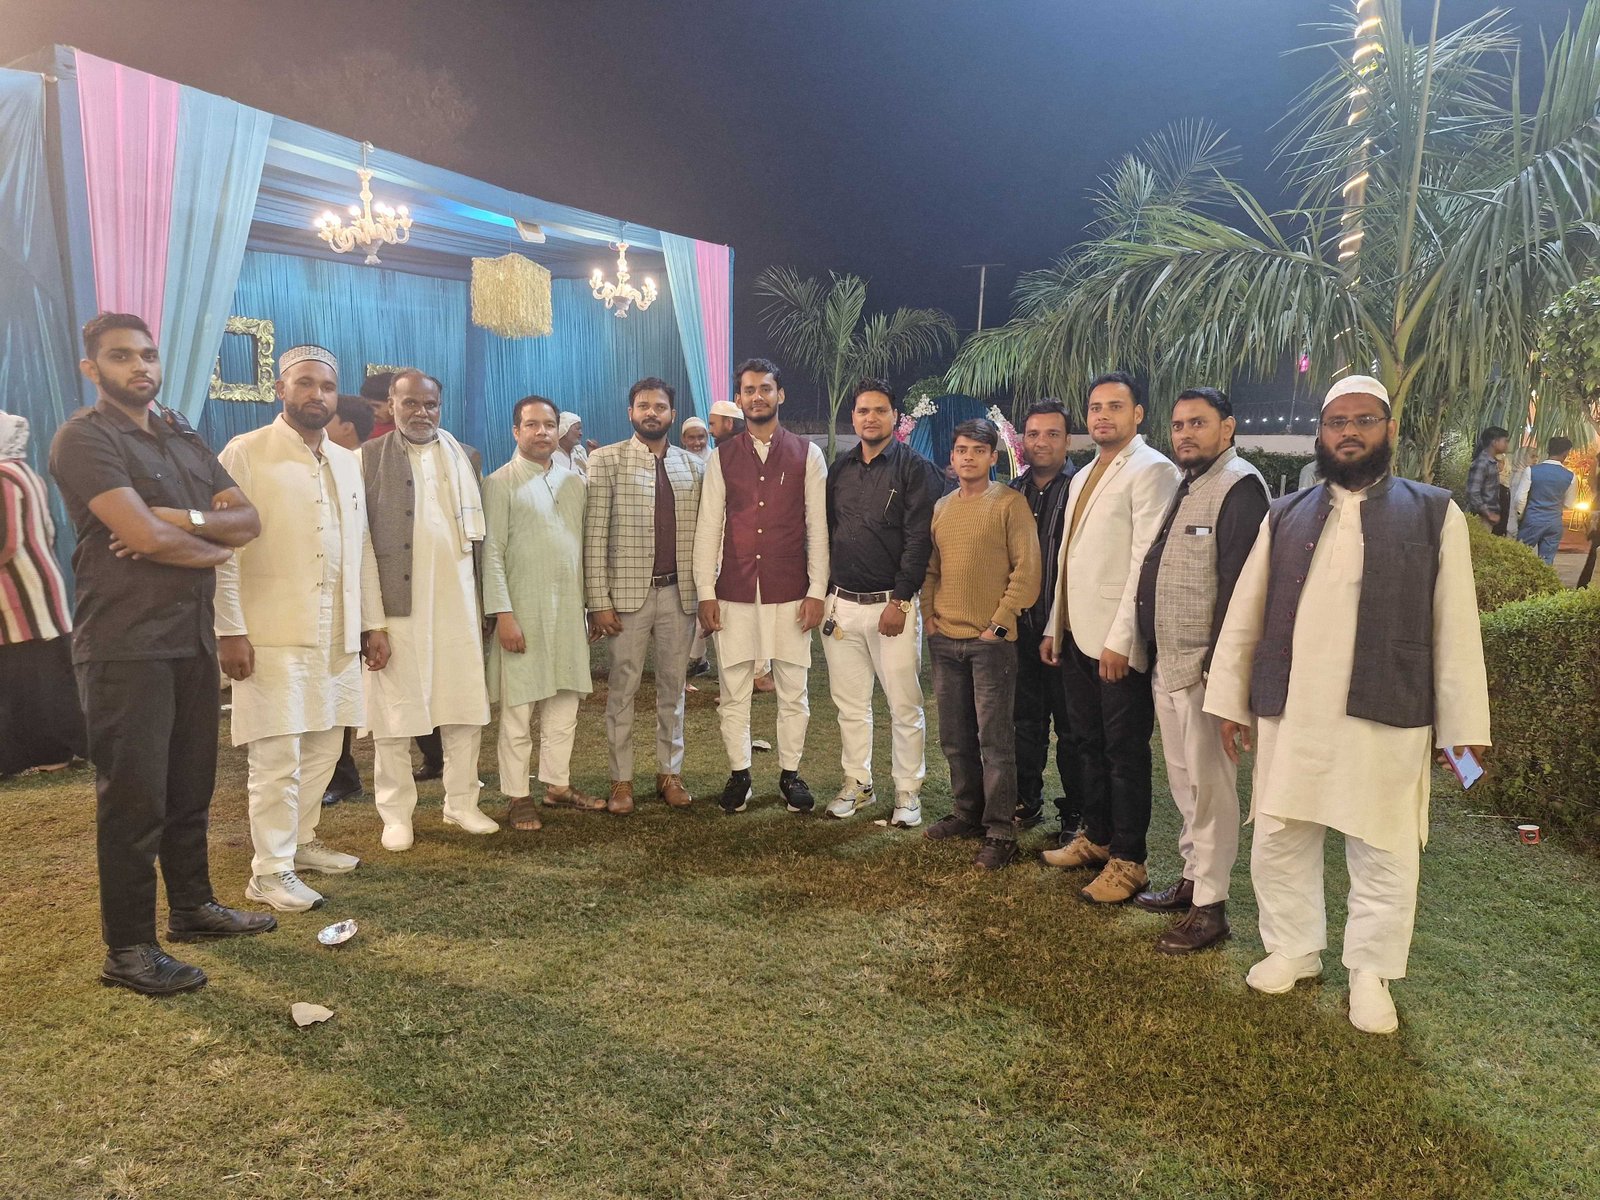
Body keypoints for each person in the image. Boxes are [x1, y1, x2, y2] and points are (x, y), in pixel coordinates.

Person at [1205, 374, 1490, 1034]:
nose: (1350, 432)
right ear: (1321, 433)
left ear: (1389, 429)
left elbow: (1455, 625)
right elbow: (1246, 614)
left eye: (1364, 420)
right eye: (1337, 422)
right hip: (1293, 709)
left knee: (1385, 844)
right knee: (1280, 834)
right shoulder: (1286, 513)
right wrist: (1230, 702)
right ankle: (1293, 948)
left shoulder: (1434, 512)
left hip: (1387, 706)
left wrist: (1463, 725)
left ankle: (1370, 970)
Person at [49, 312, 275, 994]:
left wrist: (178, 522)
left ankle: (192, 908)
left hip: (189, 638)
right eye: (121, 356)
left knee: (188, 786)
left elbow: (248, 520)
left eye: (147, 354)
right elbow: (143, 540)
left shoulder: (178, 431)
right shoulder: (84, 438)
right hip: (126, 644)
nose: (139, 366)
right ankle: (128, 950)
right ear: (92, 368)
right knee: (134, 800)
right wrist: (207, 545)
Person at [214, 345, 388, 912]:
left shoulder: (346, 459)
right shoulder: (245, 452)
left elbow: (361, 545)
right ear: (280, 390)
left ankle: (301, 841)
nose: (317, 395)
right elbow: (225, 548)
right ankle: (269, 872)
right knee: (276, 757)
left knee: (325, 746)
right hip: (271, 630)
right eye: (305, 383)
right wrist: (230, 629)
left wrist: (371, 622)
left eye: (327, 387)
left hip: (336, 630)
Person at [1131, 388, 1269, 952]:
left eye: (1198, 423)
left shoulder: (1239, 486)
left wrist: (1222, 669)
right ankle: (1193, 880)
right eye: (1179, 424)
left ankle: (1211, 908)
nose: (1185, 433)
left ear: (1227, 427)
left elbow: (1241, 586)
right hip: (1171, 663)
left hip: (1206, 672)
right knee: (1185, 784)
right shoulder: (1190, 483)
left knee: (1210, 790)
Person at [1040, 371, 1181, 903]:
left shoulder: (1152, 469)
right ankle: (1096, 838)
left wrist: (1123, 639)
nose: (1102, 416)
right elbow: (1068, 558)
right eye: (1096, 407)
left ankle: (1129, 860)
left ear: (1138, 414)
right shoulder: (1084, 474)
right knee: (1085, 742)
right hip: (1077, 631)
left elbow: (1145, 561)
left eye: (1115, 407)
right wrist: (1055, 624)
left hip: (1115, 641)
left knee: (1124, 751)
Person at [361, 368, 495, 850]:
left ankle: (462, 803)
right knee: (394, 714)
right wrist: (371, 622)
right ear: (391, 405)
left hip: (458, 603)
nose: (421, 413)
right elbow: (361, 546)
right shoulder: (367, 458)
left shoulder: (467, 456)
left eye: (430, 404)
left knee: (464, 707)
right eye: (411, 403)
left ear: (441, 407)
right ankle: (396, 814)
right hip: (398, 611)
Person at [694, 358, 828, 814]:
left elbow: (818, 528)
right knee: (734, 690)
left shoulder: (807, 454)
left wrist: (816, 590)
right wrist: (706, 592)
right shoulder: (722, 457)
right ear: (739, 399)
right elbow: (709, 527)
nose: (757, 396)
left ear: (779, 394)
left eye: (765, 388)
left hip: (789, 590)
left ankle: (790, 774)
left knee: (794, 689)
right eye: (749, 390)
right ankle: (740, 774)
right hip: (734, 590)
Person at [921, 418, 1041, 868]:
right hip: (945, 639)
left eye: (977, 450)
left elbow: (1027, 570)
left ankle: (1000, 830)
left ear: (993, 456)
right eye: (961, 450)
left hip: (990, 643)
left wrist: (1000, 626)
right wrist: (929, 618)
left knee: (995, 741)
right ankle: (966, 813)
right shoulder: (942, 507)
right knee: (955, 738)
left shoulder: (1009, 503)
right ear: (951, 458)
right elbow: (931, 570)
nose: (968, 457)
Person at [822, 379, 940, 827]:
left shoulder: (915, 469)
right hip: (842, 605)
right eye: (862, 410)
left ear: (895, 416)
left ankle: (908, 791)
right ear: (853, 417)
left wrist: (902, 600)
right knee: (851, 705)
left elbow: (918, 540)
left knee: (904, 704)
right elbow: (829, 530)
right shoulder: (841, 468)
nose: (870, 418)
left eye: (879, 410)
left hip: (892, 605)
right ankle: (859, 783)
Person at [586, 378, 705, 813]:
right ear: (630, 413)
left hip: (679, 594)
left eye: (659, 406)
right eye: (643, 405)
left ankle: (669, 773)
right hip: (625, 600)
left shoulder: (692, 466)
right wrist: (598, 602)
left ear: (672, 414)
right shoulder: (606, 460)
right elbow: (594, 536)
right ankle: (621, 780)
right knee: (622, 689)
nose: (651, 412)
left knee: (673, 687)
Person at [483, 395, 600, 830]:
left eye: (549, 424)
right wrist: (503, 614)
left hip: (567, 612)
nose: (542, 432)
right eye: (531, 425)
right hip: (522, 614)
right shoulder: (499, 483)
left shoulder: (574, 484)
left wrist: (590, 607)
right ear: (516, 431)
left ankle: (557, 785)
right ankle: (517, 796)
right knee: (519, 711)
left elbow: (582, 550)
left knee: (564, 705)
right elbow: (492, 553)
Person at [0, 410, 87, 775]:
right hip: (37, 585)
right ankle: (55, 751)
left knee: (30, 680)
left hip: (18, 592)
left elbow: (5, 541)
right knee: (44, 675)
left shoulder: (3, 477)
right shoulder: (24, 472)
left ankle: (46, 753)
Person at [1008, 398, 1078, 837]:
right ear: (1023, 440)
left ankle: (1076, 812)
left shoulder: (1081, 489)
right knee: (1024, 722)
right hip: (1020, 628)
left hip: (1068, 629)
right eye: (1033, 434)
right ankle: (1025, 799)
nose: (1042, 442)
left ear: (1068, 440)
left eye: (1052, 434)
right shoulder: (1011, 492)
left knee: (1073, 729)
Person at [1514, 436, 1578, 565]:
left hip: (1532, 519)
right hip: (1554, 522)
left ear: (1548, 450)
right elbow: (1569, 504)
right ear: (1566, 453)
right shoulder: (1571, 476)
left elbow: (1520, 498)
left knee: (1520, 556)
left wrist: (1520, 516)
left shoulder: (1531, 471)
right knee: (1546, 561)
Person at [1465, 426, 1509, 532]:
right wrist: (1487, 513)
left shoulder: (1491, 462)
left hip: (1486, 517)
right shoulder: (1482, 463)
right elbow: (1473, 491)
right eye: (1505, 441)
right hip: (1479, 517)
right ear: (1495, 442)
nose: (1507, 445)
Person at [362, 371, 396, 440]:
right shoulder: (363, 429)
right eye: (367, 407)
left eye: (377, 406)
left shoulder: (409, 432)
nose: (372, 412)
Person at [554, 412, 587, 478]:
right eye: (578, 429)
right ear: (565, 430)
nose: (581, 433)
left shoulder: (580, 451)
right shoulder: (551, 454)